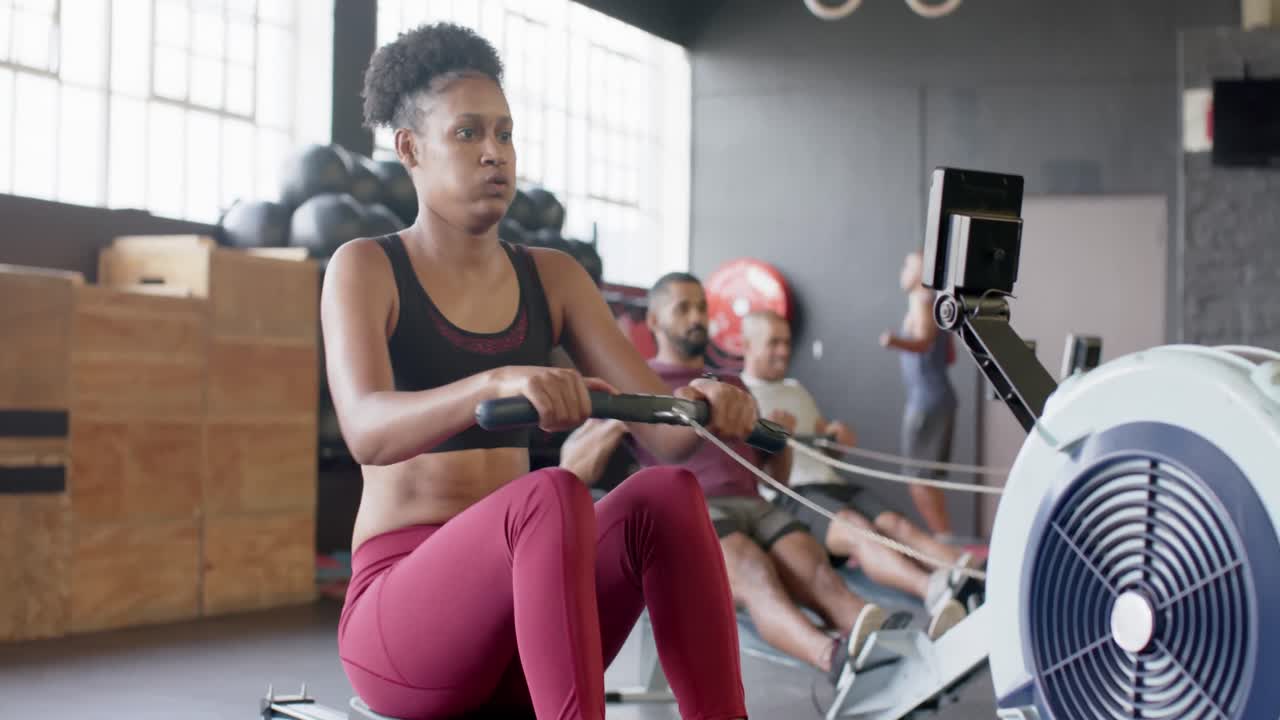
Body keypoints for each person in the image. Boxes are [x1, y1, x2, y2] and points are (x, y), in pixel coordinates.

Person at [325, 23, 759, 720]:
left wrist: (715, 405)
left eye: (505, 132)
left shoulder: (553, 277)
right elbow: (368, 432)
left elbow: (670, 436)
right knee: (551, 494)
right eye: (467, 134)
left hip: (525, 618)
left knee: (668, 496)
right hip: (401, 628)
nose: (495, 153)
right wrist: (494, 384)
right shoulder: (367, 266)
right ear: (409, 148)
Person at [627, 271, 923, 689]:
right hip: (693, 508)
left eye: (701, 307)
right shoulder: (639, 384)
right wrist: (609, 425)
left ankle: (889, 644)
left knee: (817, 572)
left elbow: (772, 475)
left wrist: (779, 442)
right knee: (755, 572)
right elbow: (578, 462)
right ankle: (831, 657)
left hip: (754, 504)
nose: (697, 317)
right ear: (655, 321)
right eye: (683, 308)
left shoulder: (730, 384)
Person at [739, 310, 976, 622]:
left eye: (786, 342)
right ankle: (932, 589)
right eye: (773, 343)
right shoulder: (741, 397)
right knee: (858, 528)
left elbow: (825, 446)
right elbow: (752, 473)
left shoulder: (795, 389)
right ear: (747, 345)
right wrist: (774, 438)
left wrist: (837, 439)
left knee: (896, 525)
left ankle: (973, 575)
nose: (783, 350)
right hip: (791, 496)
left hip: (831, 483)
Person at [880, 250, 957, 537]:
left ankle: (945, 541)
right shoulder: (933, 303)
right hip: (936, 397)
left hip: (926, 401)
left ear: (923, 270)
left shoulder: (922, 301)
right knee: (926, 479)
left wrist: (894, 341)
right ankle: (945, 539)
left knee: (918, 479)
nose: (903, 271)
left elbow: (924, 341)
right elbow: (949, 355)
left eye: (908, 265)